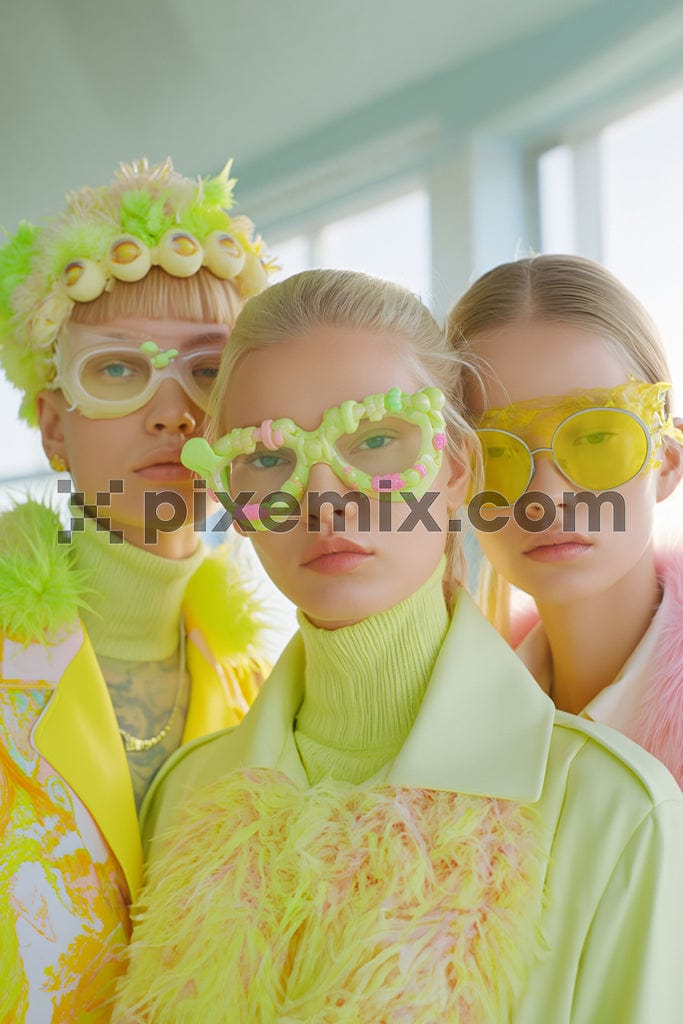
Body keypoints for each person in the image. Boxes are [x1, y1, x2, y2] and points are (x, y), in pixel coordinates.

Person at [114, 269, 683, 1024]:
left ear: (451, 468)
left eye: (377, 439)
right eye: (267, 455)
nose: (324, 498)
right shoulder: (183, 796)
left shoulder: (615, 807)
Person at [0, 158, 273, 1020]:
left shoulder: (266, 691)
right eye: (117, 371)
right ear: (52, 424)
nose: (173, 413)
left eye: (209, 371)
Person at [447, 254, 683, 788]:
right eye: (497, 453)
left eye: (598, 437)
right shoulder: (449, 737)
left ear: (666, 461)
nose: (545, 497)